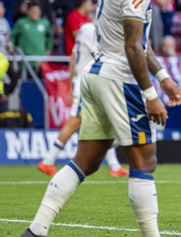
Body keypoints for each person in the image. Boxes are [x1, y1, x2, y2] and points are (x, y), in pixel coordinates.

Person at [22, 0, 181, 237]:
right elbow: (132, 46)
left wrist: (163, 76)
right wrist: (152, 95)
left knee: (88, 161)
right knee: (145, 160)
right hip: (119, 78)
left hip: (96, 75)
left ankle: (36, 229)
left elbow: (138, 40)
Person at [38, 22, 129, 178]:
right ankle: (47, 161)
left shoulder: (86, 29)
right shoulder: (92, 30)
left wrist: (73, 82)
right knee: (75, 121)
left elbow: (73, 58)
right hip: (88, 83)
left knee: (106, 121)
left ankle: (114, 166)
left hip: (90, 82)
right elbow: (105, 57)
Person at [10, 1, 52, 70]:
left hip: (41, 60)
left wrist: (49, 49)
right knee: (25, 80)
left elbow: (50, 36)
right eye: (33, 11)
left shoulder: (45, 23)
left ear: (40, 12)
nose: (35, 13)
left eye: (37, 11)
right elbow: (12, 36)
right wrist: (13, 49)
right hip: (25, 60)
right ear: (28, 11)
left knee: (41, 80)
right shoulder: (21, 23)